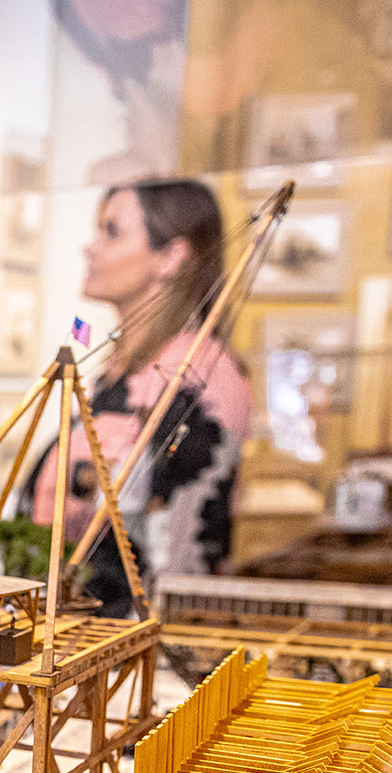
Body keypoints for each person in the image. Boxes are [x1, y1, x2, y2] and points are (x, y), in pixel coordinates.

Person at [31, 177, 251, 618]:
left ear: (171, 255)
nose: (90, 248)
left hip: (137, 632)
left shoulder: (201, 375)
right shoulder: (121, 370)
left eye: (112, 231)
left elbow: (182, 540)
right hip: (87, 620)